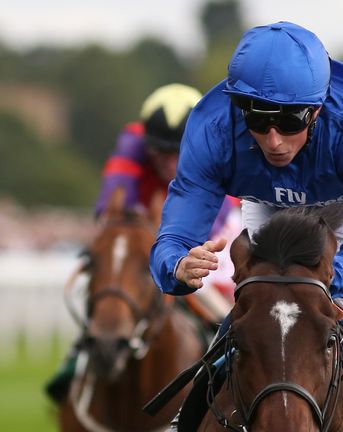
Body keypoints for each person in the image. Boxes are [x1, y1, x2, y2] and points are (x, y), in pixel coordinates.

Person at [148, 22, 343, 431]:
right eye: (258, 121)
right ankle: (185, 420)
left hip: (339, 211)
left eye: (290, 122)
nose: (274, 141)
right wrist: (176, 265)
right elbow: (174, 235)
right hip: (266, 207)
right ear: (239, 108)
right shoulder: (212, 125)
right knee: (257, 303)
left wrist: (324, 275)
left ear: (316, 110)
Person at [44, 83, 237, 404]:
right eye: (161, 153)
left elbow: (205, 231)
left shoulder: (219, 147)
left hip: (203, 241)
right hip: (146, 239)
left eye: (179, 153)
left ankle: (232, 356)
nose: (171, 165)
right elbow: (111, 208)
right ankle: (79, 357)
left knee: (223, 307)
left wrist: (176, 258)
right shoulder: (132, 142)